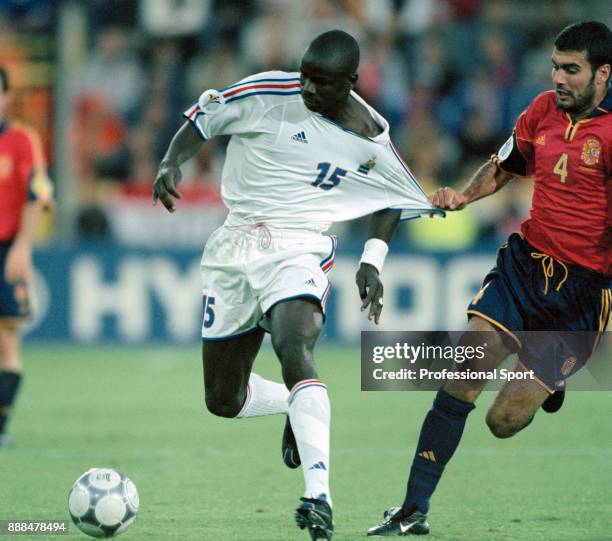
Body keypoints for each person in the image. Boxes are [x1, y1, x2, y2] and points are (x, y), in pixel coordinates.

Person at [153, 30, 442, 540]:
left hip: (300, 246)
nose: (307, 87)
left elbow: (393, 196)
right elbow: (203, 120)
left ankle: (318, 498)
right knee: (224, 399)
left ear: (351, 82)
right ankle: (294, 402)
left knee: (294, 343)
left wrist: (372, 260)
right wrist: (170, 161)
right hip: (235, 244)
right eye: (305, 74)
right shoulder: (268, 93)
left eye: (321, 82)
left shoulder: (371, 133)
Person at [363, 20, 611, 536]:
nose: (559, 78)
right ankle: (413, 509)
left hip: (583, 296)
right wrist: (462, 196)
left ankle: (551, 378)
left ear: (603, 74)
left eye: (572, 69)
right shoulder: (541, 109)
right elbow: (506, 165)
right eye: (555, 66)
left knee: (503, 423)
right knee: (461, 374)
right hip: (525, 267)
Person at [0, 66, 53, 448]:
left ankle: (0, 428)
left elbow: (37, 196)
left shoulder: (22, 140)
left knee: (7, 337)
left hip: (7, 247)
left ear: (6, 97)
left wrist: (22, 247)